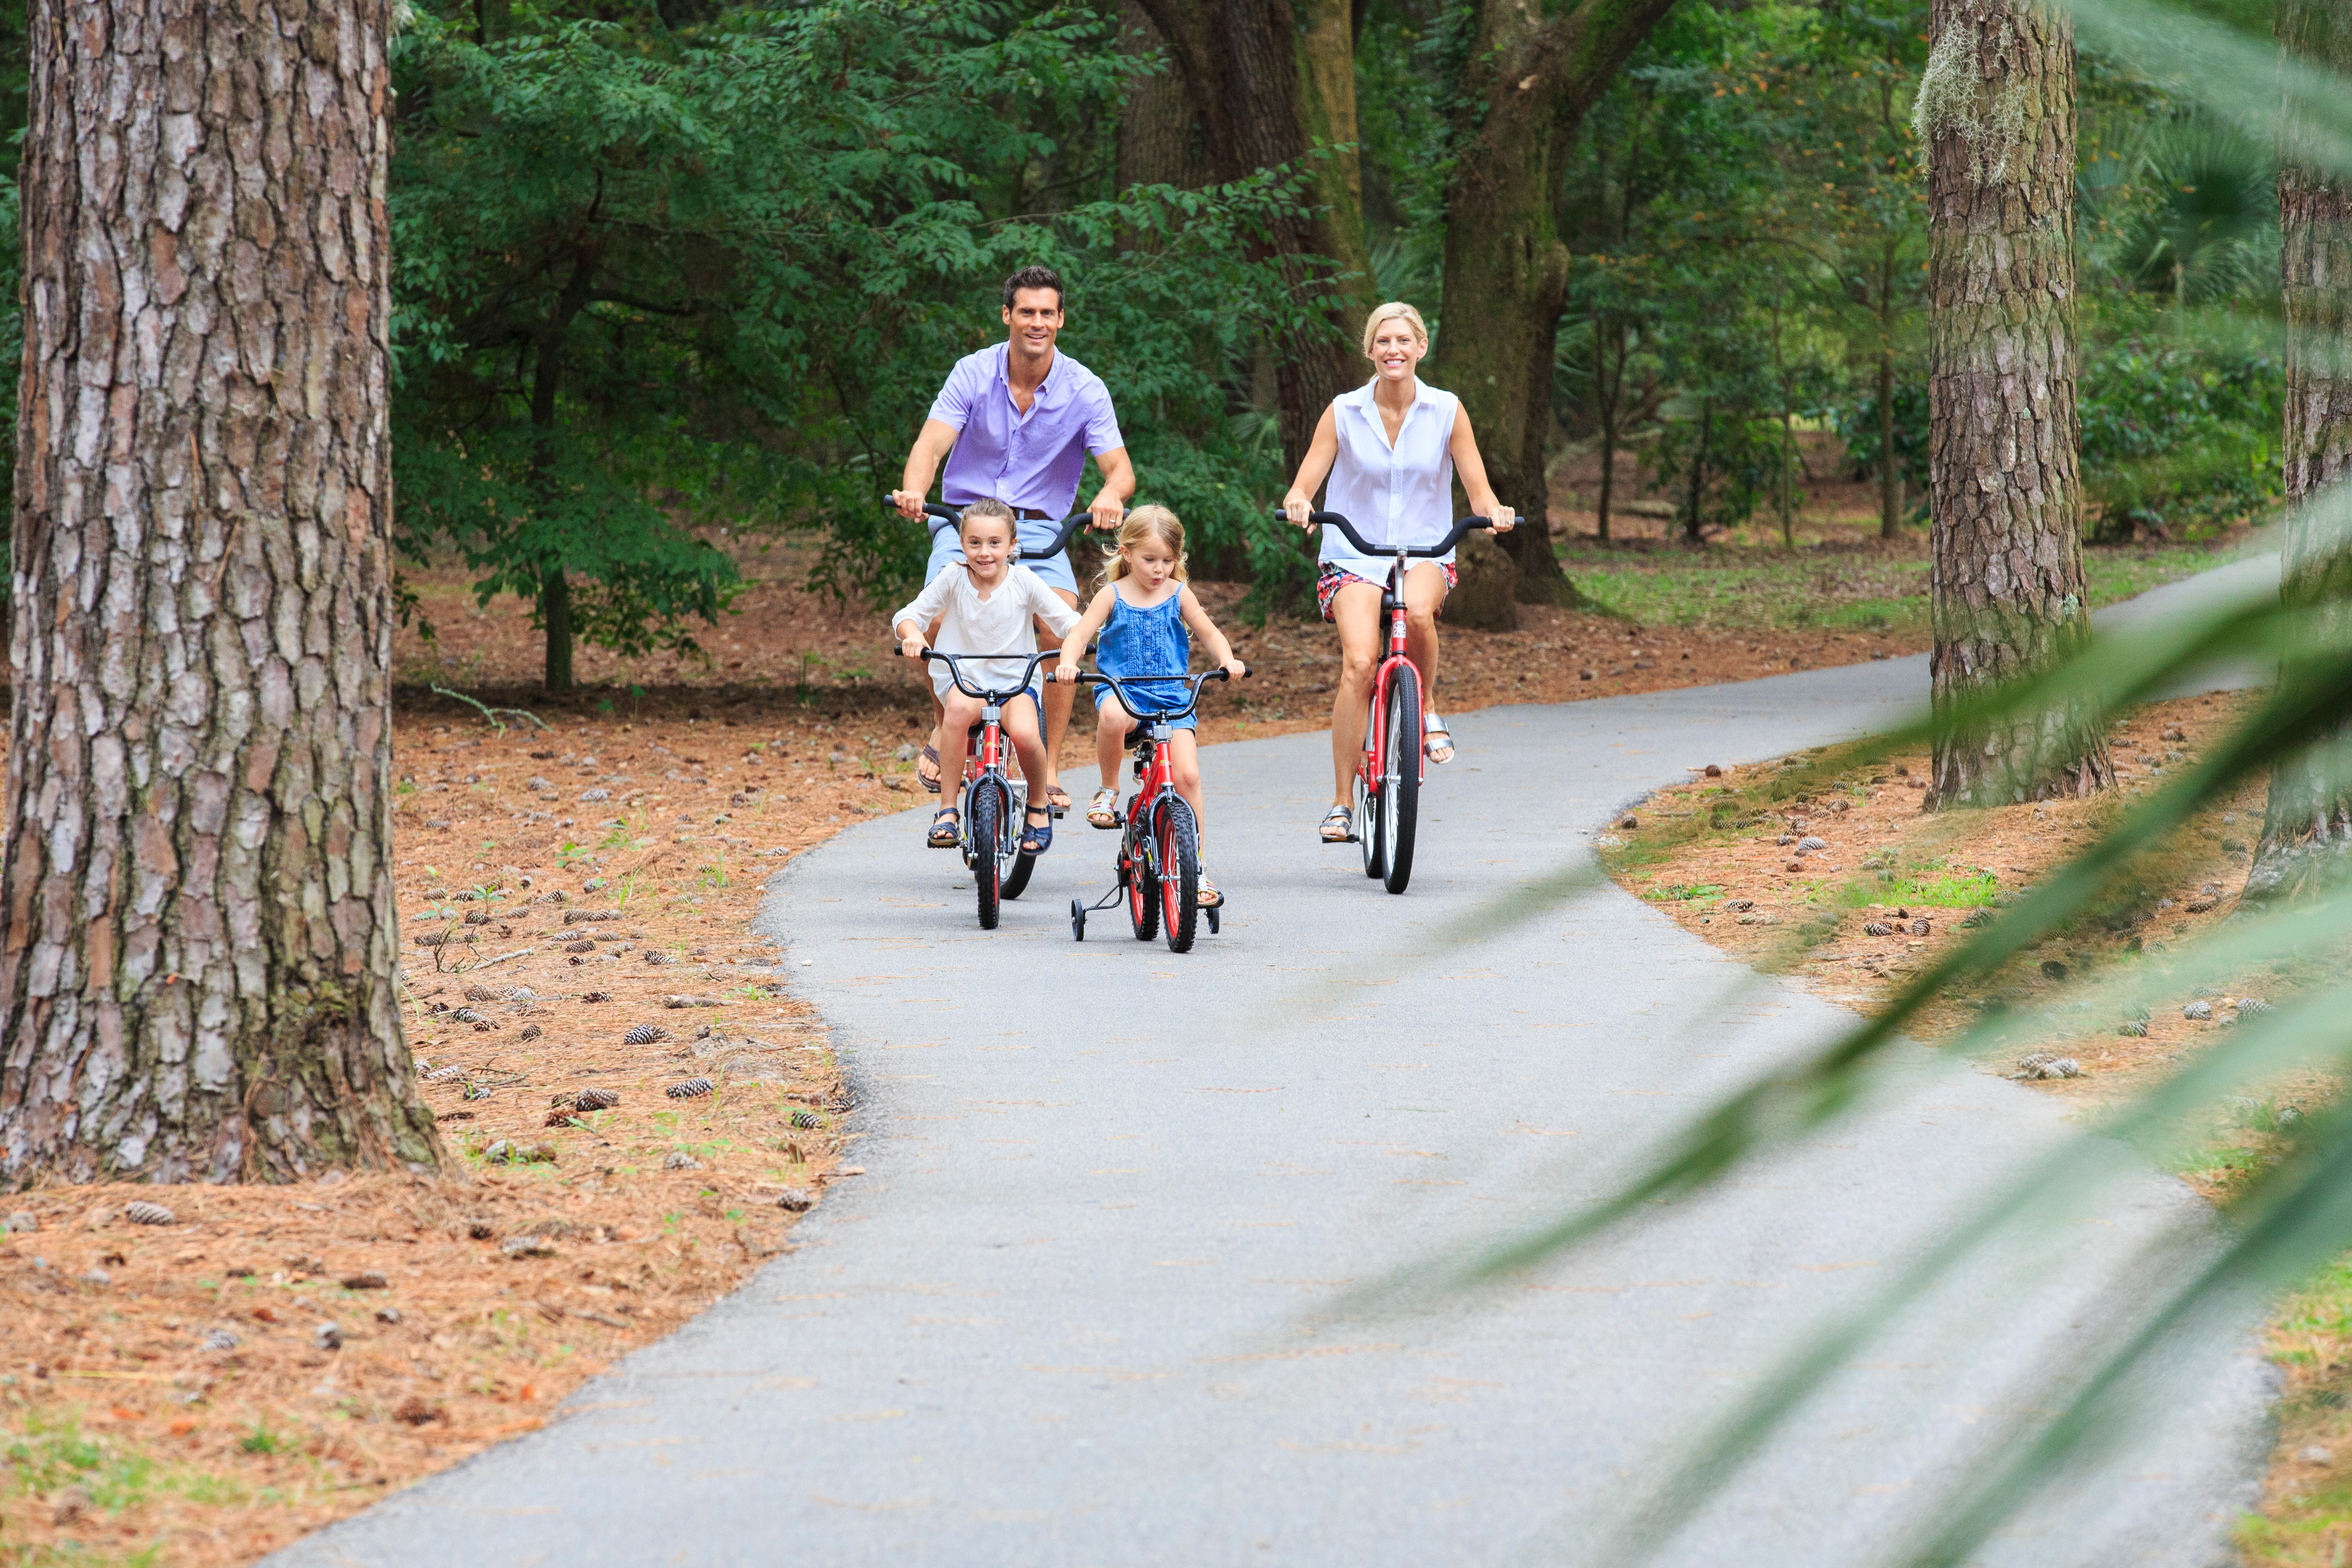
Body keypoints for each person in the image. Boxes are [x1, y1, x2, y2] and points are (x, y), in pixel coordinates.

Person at [889, 265, 1134, 818]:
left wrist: (1110, 495)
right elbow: (931, 445)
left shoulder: (1084, 388)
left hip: (1040, 528)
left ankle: (1045, 764)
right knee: (931, 623)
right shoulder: (972, 373)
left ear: (1061, 319)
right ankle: (948, 715)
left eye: (1048, 313)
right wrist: (914, 489)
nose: (1037, 322)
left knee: (1060, 627)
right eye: (1027, 312)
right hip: (968, 523)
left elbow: (1120, 470)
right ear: (1008, 316)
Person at [1278, 301, 1517, 844]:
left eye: (1403, 341)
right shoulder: (1343, 412)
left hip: (1425, 550)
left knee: (1421, 616)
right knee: (1360, 663)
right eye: (1383, 341)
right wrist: (1298, 502)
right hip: (1354, 553)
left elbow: (1478, 489)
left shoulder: (1447, 410)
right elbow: (1305, 481)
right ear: (1369, 350)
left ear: (1421, 348)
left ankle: (1427, 706)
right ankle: (1342, 802)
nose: (1393, 350)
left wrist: (1494, 512)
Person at [1055, 506, 1246, 908]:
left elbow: (1210, 633)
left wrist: (1227, 660)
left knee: (1189, 776)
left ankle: (1197, 868)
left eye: (1167, 561)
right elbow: (1079, 634)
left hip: (1172, 697)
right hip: (1123, 691)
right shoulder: (1112, 594)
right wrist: (1068, 663)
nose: (1159, 569)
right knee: (1112, 715)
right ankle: (1109, 789)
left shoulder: (1178, 593)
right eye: (1150, 560)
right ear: (1127, 553)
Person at [891, 501, 1080, 856]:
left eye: (995, 543)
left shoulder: (1024, 581)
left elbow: (1067, 621)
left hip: (1016, 683)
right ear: (962, 544)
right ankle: (948, 809)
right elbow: (909, 615)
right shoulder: (953, 577)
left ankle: (1038, 807)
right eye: (975, 543)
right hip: (965, 681)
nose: (985, 552)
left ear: (1012, 545)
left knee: (1026, 733)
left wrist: (1077, 642)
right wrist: (913, 635)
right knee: (958, 711)